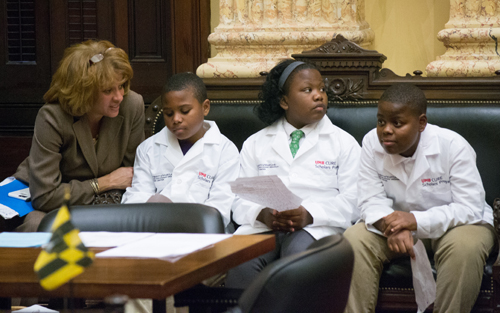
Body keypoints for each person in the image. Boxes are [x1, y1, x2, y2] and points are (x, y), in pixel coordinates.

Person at [343, 83, 496, 313]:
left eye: (397, 123)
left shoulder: (453, 145)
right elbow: (369, 199)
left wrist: (414, 221)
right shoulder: (370, 143)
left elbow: (470, 208)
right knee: (354, 240)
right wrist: (391, 225)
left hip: (457, 225)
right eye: (381, 121)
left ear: (421, 123)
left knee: (465, 247)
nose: (386, 130)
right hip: (395, 225)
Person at [225, 60, 361, 289]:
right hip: (265, 226)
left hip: (316, 228)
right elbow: (239, 199)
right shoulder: (255, 143)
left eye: (322, 89)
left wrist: (309, 214)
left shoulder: (343, 143)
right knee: (241, 261)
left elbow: (355, 200)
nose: (319, 96)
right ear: (284, 101)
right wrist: (262, 214)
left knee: (297, 260)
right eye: (308, 90)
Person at [11, 39, 145, 232]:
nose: (119, 96)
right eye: (108, 90)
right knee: (37, 226)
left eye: (122, 85)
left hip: (108, 201)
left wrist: (107, 191)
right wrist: (104, 183)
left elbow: (132, 177)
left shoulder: (132, 105)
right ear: (83, 91)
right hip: (52, 205)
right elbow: (46, 197)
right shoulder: (52, 117)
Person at [121, 72, 240, 229]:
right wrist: (157, 202)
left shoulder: (225, 151)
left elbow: (220, 209)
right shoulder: (148, 148)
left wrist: (175, 214)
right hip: (155, 230)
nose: (176, 119)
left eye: (184, 111)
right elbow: (134, 199)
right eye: (168, 113)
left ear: (205, 107)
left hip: (203, 233)